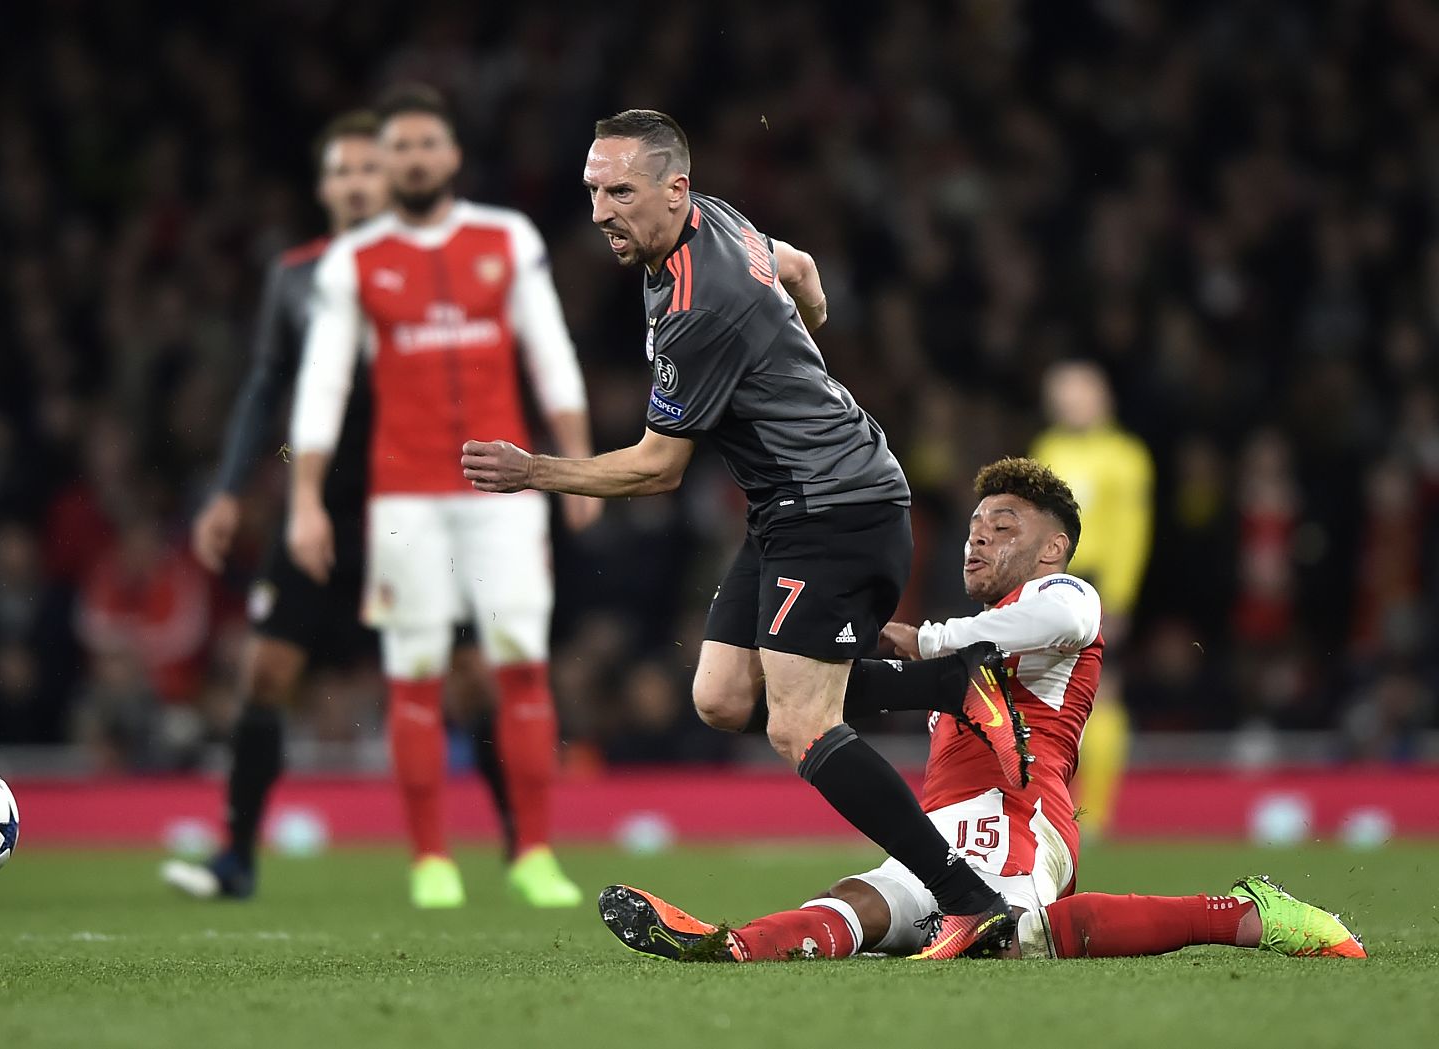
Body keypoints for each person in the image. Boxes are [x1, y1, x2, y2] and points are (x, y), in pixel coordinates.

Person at [462, 109, 1033, 959]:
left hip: (836, 507)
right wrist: (805, 329)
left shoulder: (700, 305)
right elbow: (799, 266)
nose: (600, 212)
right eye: (593, 190)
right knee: (722, 697)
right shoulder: (715, 218)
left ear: (674, 189)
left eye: (620, 193)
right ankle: (949, 683)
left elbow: (658, 469)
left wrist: (534, 470)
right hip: (787, 506)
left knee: (801, 726)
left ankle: (970, 901)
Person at [595, 458, 1364, 962]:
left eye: (1004, 528)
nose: (979, 539)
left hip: (1024, 820)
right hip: (936, 830)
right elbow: (844, 691)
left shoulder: (1061, 598)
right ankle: (731, 944)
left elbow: (1059, 617)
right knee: (859, 903)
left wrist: (932, 639)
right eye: (975, 527)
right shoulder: (967, 635)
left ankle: (1242, 912)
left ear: (1051, 548)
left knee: (1016, 936)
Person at [161, 110, 517, 902]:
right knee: (265, 672)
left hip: (414, 506)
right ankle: (236, 858)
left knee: (470, 681)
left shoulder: (432, 267)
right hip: (316, 505)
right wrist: (230, 489)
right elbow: (265, 389)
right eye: (342, 171)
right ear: (324, 187)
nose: (357, 183)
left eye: (369, 169)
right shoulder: (296, 276)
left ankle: (521, 843)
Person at [290, 85, 596, 909]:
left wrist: (572, 464)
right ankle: (430, 856)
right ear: (384, 162)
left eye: (429, 144)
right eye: (401, 148)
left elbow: (550, 353)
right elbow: (323, 383)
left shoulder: (507, 237)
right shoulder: (354, 261)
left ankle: (534, 851)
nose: (416, 159)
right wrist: (305, 497)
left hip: (505, 488)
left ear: (454, 154)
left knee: (522, 665)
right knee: (414, 672)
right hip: (406, 499)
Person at [1031, 360, 1154, 840]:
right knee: (1042, 694)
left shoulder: (1126, 457)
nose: (1069, 403)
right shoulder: (1048, 449)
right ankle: (1049, 807)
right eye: (1061, 394)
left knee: (1102, 692)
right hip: (1049, 582)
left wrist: (1119, 597)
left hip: (1096, 582)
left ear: (1102, 397)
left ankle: (1097, 814)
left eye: (1078, 393)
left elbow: (1131, 532)